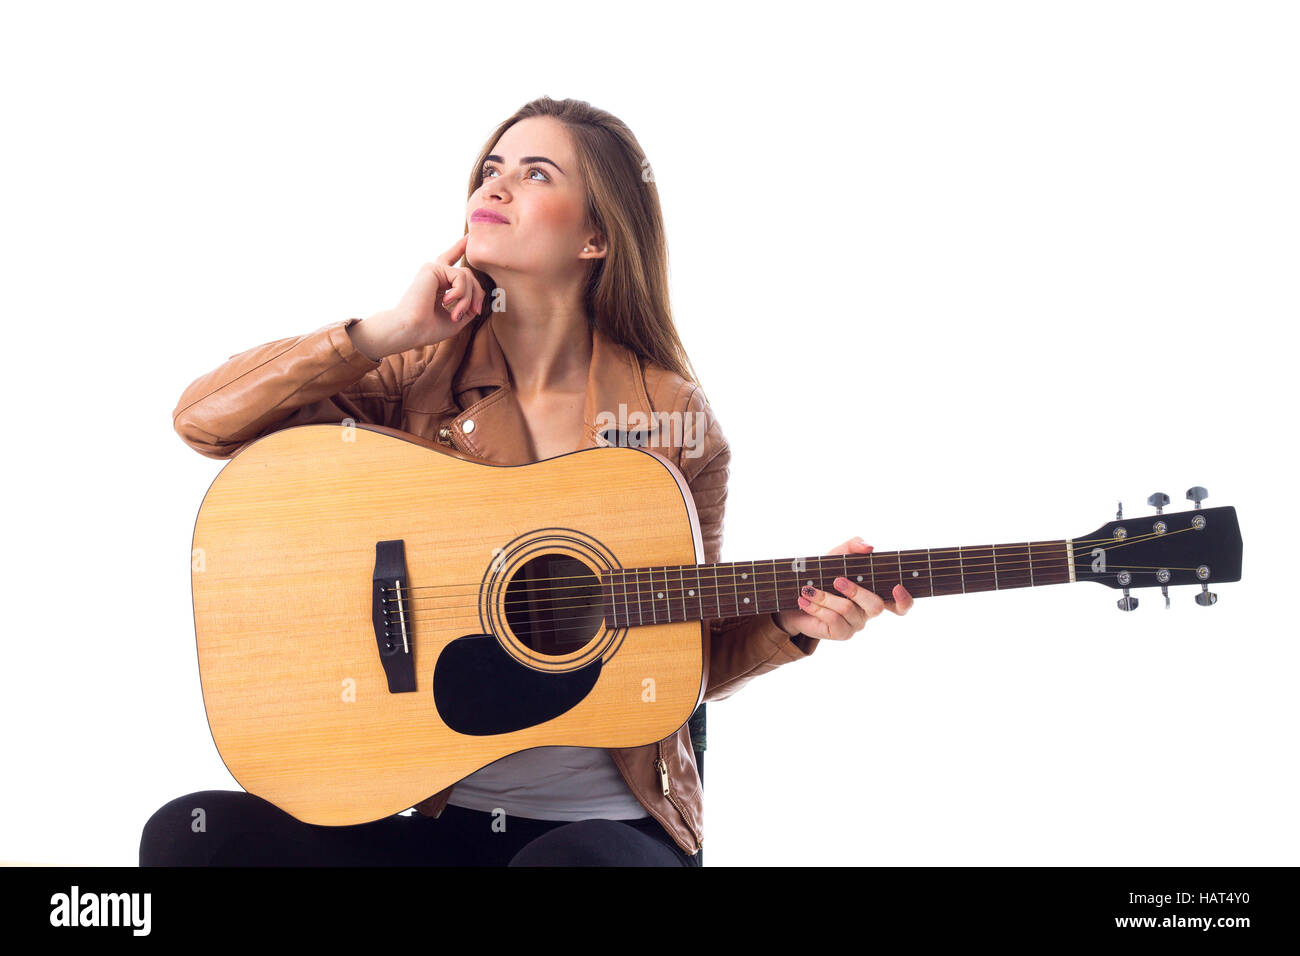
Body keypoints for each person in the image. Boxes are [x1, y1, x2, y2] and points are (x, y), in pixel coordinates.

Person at [142, 96, 913, 867]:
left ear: (597, 236)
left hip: (607, 835)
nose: (494, 189)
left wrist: (796, 624)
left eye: (534, 173)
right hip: (442, 816)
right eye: (489, 170)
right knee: (189, 841)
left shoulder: (674, 418)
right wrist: (386, 331)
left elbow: (688, 655)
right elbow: (202, 419)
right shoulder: (413, 374)